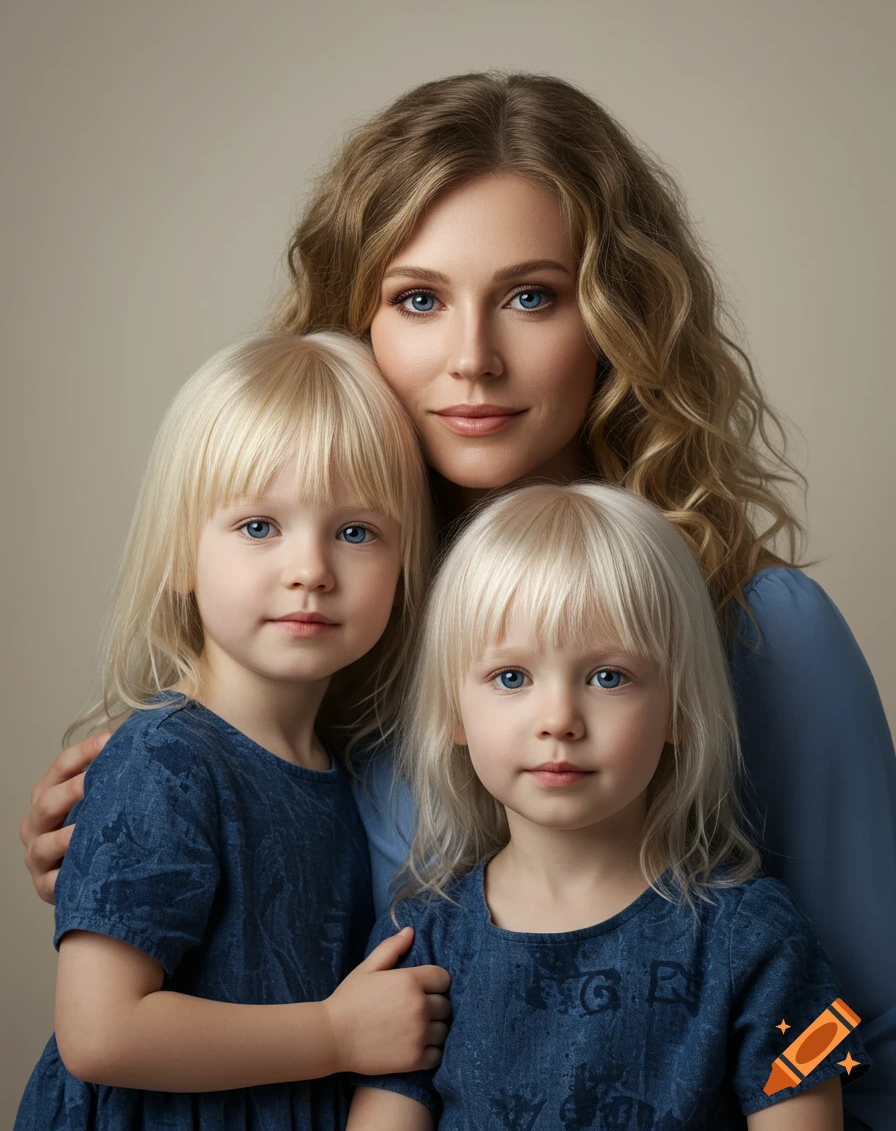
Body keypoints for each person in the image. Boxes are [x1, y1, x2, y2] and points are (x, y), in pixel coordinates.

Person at [19, 72, 896, 1129]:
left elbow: (865, 1037)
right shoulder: (333, 625)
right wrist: (137, 842)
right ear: (357, 323)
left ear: (620, 317)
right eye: (417, 298)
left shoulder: (763, 630)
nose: (471, 360)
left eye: (531, 295)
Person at [15, 331, 450, 1130]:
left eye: (356, 532)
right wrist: (334, 1032)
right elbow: (99, 1032)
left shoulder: (339, 771)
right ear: (184, 551)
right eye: (259, 527)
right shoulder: (164, 758)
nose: (310, 568)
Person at [348, 481, 872, 1129]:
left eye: (608, 677)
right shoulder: (419, 938)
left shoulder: (759, 936)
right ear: (455, 713)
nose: (559, 720)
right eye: (511, 677)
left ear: (678, 708)